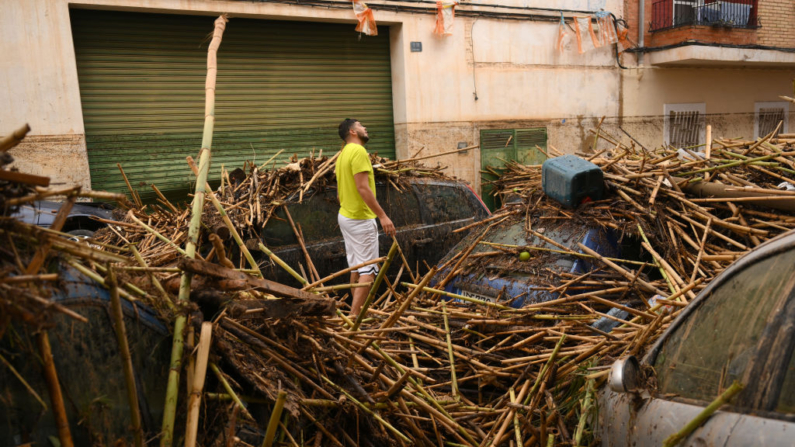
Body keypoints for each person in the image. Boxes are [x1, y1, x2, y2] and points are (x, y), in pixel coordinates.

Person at [336, 118, 396, 316]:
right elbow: (363, 187)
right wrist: (383, 216)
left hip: (345, 215)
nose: (365, 128)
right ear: (353, 132)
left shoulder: (342, 154)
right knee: (368, 272)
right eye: (361, 126)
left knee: (357, 267)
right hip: (360, 219)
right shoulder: (359, 151)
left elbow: (339, 193)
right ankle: (354, 317)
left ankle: (357, 310)